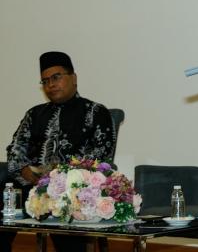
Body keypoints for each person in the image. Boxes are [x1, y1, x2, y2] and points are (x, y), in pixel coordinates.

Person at [1, 51, 116, 252]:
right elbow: (15, 148)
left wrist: (60, 178)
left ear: (74, 78)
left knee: (68, 205)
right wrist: (25, 170)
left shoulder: (95, 112)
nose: (50, 85)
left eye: (56, 77)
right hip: (29, 185)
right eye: (45, 81)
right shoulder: (34, 113)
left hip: (71, 188)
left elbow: (100, 156)